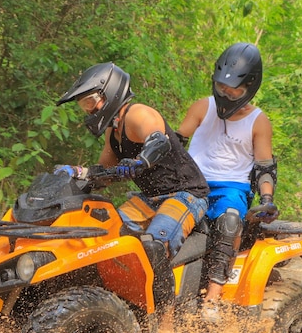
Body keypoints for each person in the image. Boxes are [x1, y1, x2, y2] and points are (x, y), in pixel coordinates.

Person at [55, 62, 209, 309]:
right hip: (148, 197)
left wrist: (141, 161)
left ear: (110, 93)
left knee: (153, 247)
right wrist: (76, 173)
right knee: (105, 237)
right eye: (83, 105)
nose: (88, 110)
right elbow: (103, 173)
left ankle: (166, 324)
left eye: (90, 102)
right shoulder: (112, 132)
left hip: (184, 194)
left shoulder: (138, 115)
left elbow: (159, 141)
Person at [176, 42, 278, 306]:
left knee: (230, 221)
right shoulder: (202, 107)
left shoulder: (258, 120)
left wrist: (267, 200)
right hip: (191, 184)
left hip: (232, 189)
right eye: (223, 88)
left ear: (250, 88)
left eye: (235, 91)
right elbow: (175, 142)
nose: (227, 95)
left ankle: (213, 296)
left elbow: (264, 166)